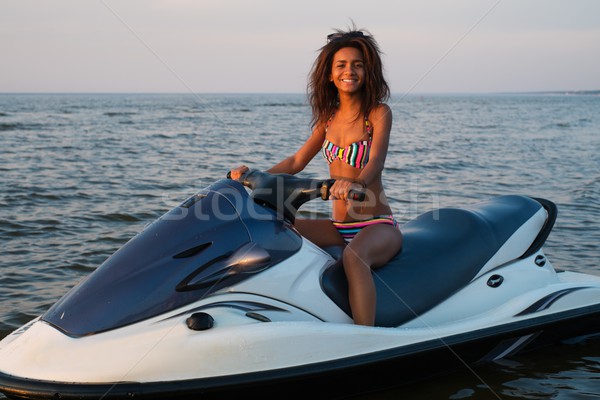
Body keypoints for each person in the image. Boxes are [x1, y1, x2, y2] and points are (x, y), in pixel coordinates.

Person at [230, 26, 402, 326]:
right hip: (338, 226)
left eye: (358, 65)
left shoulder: (377, 114)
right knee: (272, 229)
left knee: (354, 259)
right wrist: (251, 176)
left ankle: (364, 338)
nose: (350, 71)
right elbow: (296, 161)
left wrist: (357, 182)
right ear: (330, 75)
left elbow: (376, 162)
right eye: (342, 65)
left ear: (368, 72)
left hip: (376, 225)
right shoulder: (327, 120)